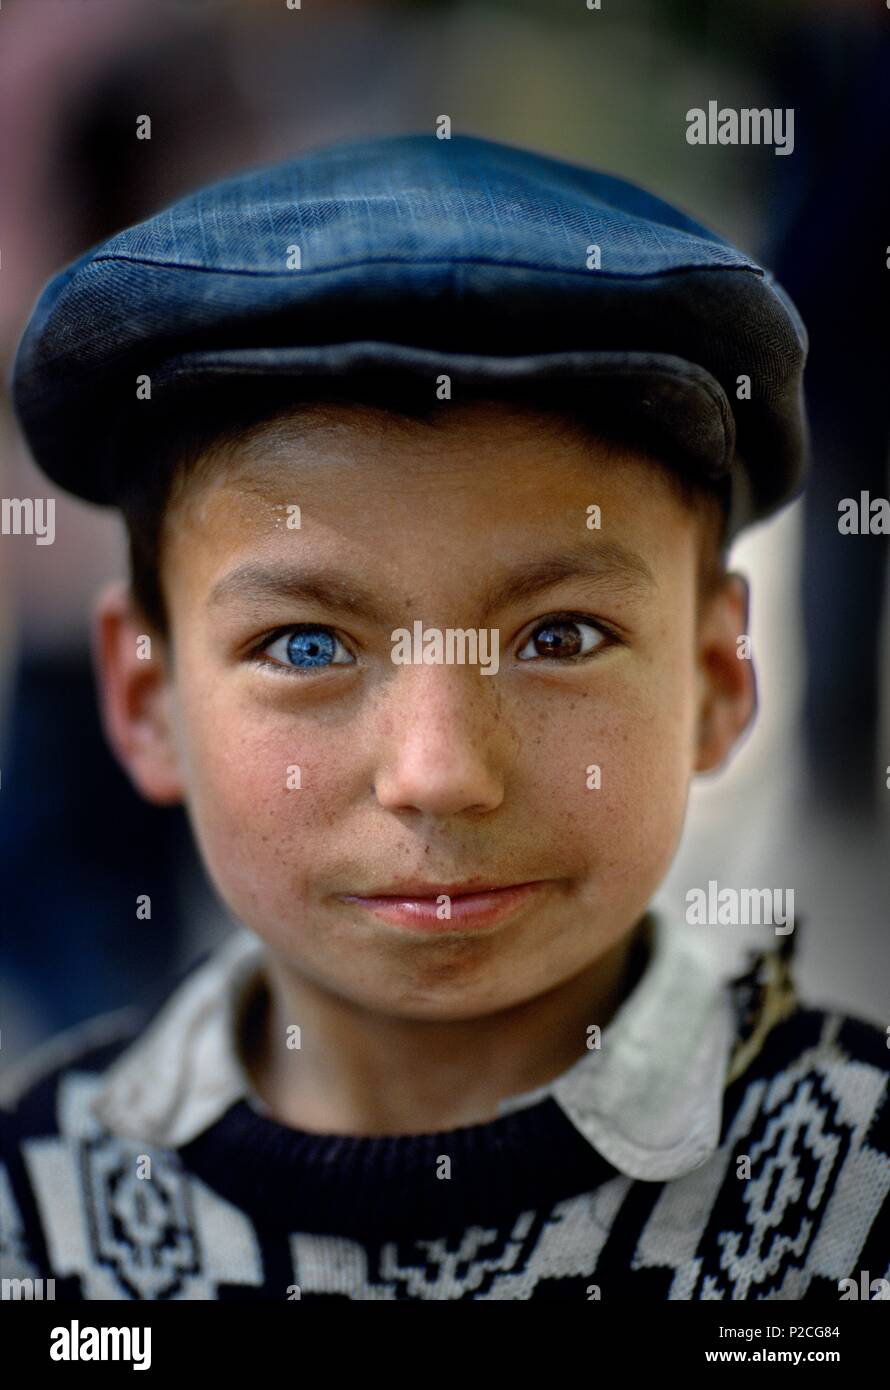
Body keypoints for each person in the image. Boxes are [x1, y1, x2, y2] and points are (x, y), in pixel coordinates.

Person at [2, 133, 887, 1301]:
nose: (437, 772)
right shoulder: (35, 1208)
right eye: (305, 646)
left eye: (558, 636)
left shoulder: (857, 1195)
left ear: (718, 678)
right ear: (144, 698)